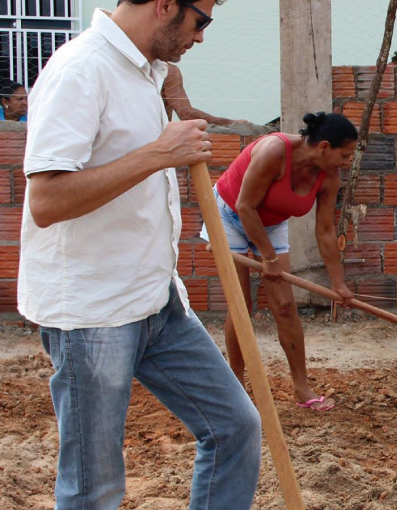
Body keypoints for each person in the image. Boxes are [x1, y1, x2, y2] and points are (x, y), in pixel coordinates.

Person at [19, 1, 262, 508]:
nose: (201, 38)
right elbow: (47, 201)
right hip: (92, 314)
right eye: (203, 21)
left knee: (235, 427)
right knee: (94, 488)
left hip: (156, 302)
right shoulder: (80, 70)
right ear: (166, 6)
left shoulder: (143, 72)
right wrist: (159, 154)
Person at [202, 111, 357, 411]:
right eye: (345, 155)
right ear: (324, 147)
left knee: (285, 306)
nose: (348, 162)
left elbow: (325, 230)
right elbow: (246, 206)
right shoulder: (274, 151)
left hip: (271, 223)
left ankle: (302, 388)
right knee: (240, 304)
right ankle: (235, 386)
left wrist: (338, 285)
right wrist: (269, 257)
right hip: (230, 214)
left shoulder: (330, 175)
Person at [162, 62, 245, 125]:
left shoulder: (164, 70)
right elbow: (186, 114)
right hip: (157, 140)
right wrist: (231, 123)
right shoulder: (167, 70)